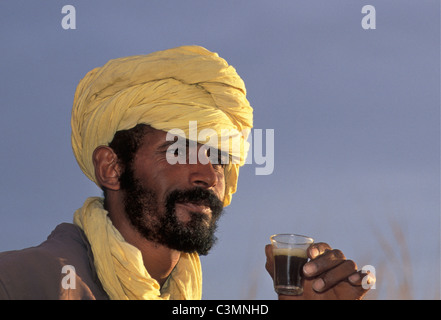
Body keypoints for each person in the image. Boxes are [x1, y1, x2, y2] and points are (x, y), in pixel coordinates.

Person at [0, 46, 372, 300]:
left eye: (220, 157)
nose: (208, 176)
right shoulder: (22, 283)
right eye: (180, 151)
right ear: (111, 168)